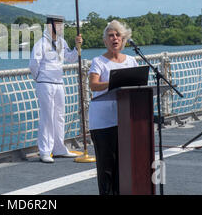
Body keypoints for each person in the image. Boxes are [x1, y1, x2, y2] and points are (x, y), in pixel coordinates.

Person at [88, 20, 138, 195]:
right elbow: (93, 85)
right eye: (111, 35)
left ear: (123, 39)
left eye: (118, 35)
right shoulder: (98, 61)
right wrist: (114, 82)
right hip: (103, 122)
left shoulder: (131, 61)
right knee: (106, 167)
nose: (115, 38)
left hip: (125, 120)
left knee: (124, 166)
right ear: (105, 40)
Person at [29, 15, 83, 163]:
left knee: (59, 116)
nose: (61, 28)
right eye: (58, 25)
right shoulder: (41, 43)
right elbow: (34, 64)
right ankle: (45, 151)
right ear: (50, 26)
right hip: (45, 82)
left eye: (61, 25)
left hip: (59, 82)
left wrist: (77, 47)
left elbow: (71, 58)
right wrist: (40, 78)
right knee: (47, 117)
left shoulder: (62, 42)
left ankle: (59, 148)